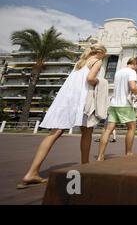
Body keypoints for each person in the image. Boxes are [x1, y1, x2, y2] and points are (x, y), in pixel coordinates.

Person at [17, 44, 107, 189]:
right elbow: (91, 79)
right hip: (81, 100)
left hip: (66, 99)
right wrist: (102, 82)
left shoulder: (80, 62)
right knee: (87, 132)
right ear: (101, 53)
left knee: (54, 133)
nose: (104, 57)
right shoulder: (97, 61)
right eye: (105, 54)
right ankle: (85, 167)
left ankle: (32, 172)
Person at [97, 57, 137, 161]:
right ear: (135, 65)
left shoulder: (118, 72)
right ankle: (128, 153)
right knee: (131, 128)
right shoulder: (131, 72)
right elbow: (133, 87)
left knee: (107, 130)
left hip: (114, 104)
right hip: (125, 105)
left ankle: (100, 156)